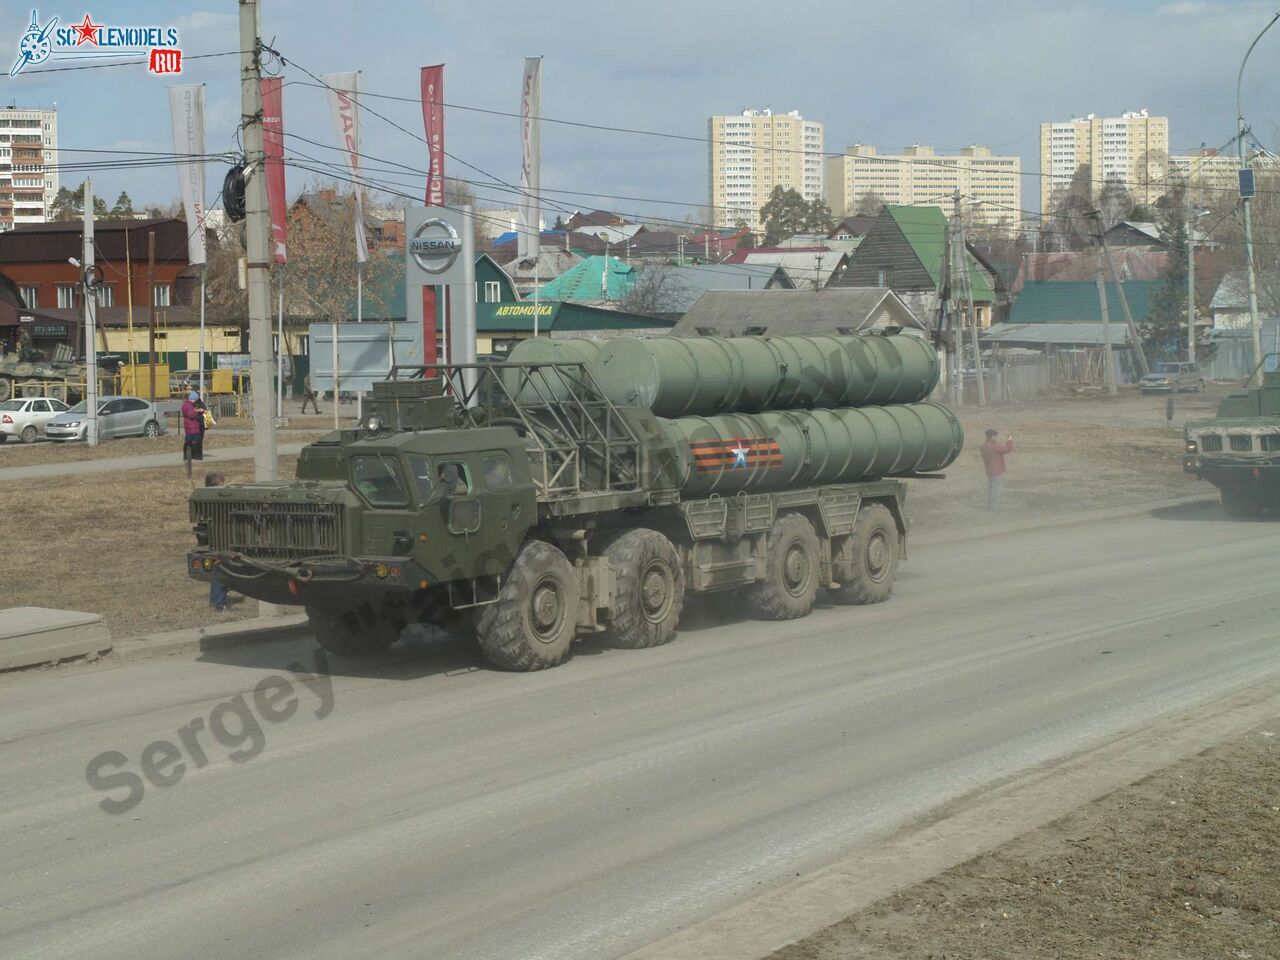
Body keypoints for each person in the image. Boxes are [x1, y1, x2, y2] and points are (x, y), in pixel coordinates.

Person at [205, 473, 231, 611]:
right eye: (222, 483)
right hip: (220, 543)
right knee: (220, 572)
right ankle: (219, 603)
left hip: (212, 542)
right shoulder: (218, 499)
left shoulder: (204, 498)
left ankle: (216, 601)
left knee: (216, 572)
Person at [981, 428, 1014, 512]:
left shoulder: (984, 446)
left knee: (992, 489)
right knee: (995, 490)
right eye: (995, 436)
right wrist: (1009, 440)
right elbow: (1007, 449)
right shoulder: (993, 446)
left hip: (989, 471)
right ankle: (993, 509)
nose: (996, 438)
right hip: (997, 471)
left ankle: (991, 508)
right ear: (992, 436)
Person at [181, 391, 202, 477]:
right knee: (194, 439)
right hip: (192, 425)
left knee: (189, 439)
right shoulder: (189, 405)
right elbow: (191, 415)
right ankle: (191, 454)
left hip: (187, 424)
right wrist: (197, 411)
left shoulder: (185, 404)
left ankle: (187, 454)